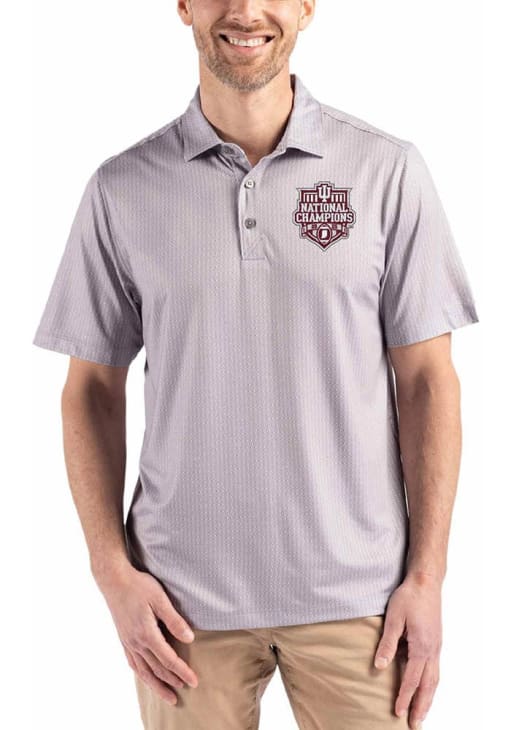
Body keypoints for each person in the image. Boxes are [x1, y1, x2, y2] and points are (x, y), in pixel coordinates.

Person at [32, 1, 480, 728]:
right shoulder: (122, 188)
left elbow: (429, 380)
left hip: (360, 599)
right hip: (179, 607)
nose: (245, 11)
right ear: (183, 5)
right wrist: (111, 573)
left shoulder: (386, 171)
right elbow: (90, 390)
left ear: (307, 6)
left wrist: (427, 579)